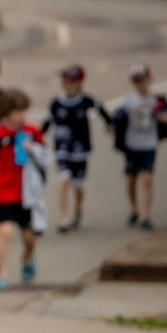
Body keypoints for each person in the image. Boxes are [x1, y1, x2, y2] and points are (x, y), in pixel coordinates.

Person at [0, 88, 46, 290]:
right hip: (4, 191)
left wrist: (33, 149)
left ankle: (27, 258)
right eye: (19, 112)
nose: (22, 116)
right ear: (8, 112)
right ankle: (3, 273)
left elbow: (46, 156)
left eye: (24, 111)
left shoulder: (32, 132)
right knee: (5, 231)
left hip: (26, 194)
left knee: (29, 238)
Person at [41, 64, 112, 233]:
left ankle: (78, 210)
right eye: (64, 79)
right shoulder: (56, 102)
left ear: (79, 82)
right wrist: (38, 137)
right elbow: (47, 122)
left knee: (78, 185)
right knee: (63, 179)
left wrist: (110, 124)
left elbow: (101, 109)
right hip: (62, 147)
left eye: (70, 80)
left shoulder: (85, 100)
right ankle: (63, 218)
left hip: (80, 148)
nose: (65, 83)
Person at [114, 63, 167, 230]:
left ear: (149, 79)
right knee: (131, 179)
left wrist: (164, 118)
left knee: (147, 179)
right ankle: (134, 209)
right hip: (132, 145)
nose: (139, 84)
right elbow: (117, 119)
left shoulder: (157, 101)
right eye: (136, 80)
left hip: (149, 145)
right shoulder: (129, 101)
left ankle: (146, 215)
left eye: (142, 80)